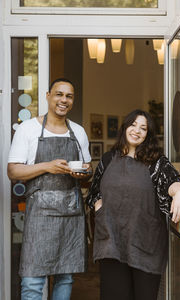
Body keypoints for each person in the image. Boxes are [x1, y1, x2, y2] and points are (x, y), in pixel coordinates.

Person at [86, 109, 180, 300]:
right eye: (133, 125)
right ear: (125, 128)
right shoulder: (108, 159)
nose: (137, 131)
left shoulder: (155, 161)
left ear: (148, 135)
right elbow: (93, 193)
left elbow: (171, 181)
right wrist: (100, 208)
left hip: (145, 243)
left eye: (143, 128)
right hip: (111, 242)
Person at [7, 78, 92, 300]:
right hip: (40, 216)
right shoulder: (29, 129)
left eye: (69, 96)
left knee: (65, 277)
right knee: (32, 281)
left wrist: (82, 173)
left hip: (71, 214)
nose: (64, 100)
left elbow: (88, 169)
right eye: (59, 94)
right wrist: (48, 166)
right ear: (48, 96)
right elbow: (13, 171)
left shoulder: (78, 132)